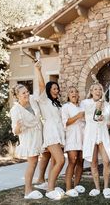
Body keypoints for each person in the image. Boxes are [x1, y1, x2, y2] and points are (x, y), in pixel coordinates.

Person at [35, 61, 65, 200]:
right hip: (51, 133)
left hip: (59, 134)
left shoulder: (57, 104)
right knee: (60, 161)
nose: (56, 90)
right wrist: (38, 70)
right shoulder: (45, 100)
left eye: (57, 88)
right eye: (54, 88)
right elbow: (41, 85)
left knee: (54, 161)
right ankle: (50, 189)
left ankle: (48, 183)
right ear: (48, 90)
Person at [10, 84, 43, 199]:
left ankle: (37, 183)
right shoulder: (15, 110)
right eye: (23, 93)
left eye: (27, 91)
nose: (27, 94)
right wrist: (18, 126)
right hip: (28, 138)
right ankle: (27, 191)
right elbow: (15, 131)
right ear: (17, 96)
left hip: (38, 134)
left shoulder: (32, 100)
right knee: (32, 163)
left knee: (35, 162)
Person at [81, 83, 110, 199]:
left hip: (103, 134)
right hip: (91, 134)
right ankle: (97, 188)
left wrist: (105, 119)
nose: (98, 91)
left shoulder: (106, 104)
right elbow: (92, 117)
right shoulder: (85, 103)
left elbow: (108, 120)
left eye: (100, 89)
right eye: (95, 89)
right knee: (93, 163)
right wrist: (98, 108)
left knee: (106, 161)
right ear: (91, 91)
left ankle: (106, 187)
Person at [61, 86, 85, 197]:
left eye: (76, 91)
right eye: (71, 92)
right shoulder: (66, 107)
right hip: (72, 137)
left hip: (82, 137)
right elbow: (65, 122)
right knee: (72, 161)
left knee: (81, 162)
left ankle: (76, 185)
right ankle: (68, 188)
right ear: (68, 96)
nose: (74, 93)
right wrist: (77, 116)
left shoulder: (82, 106)